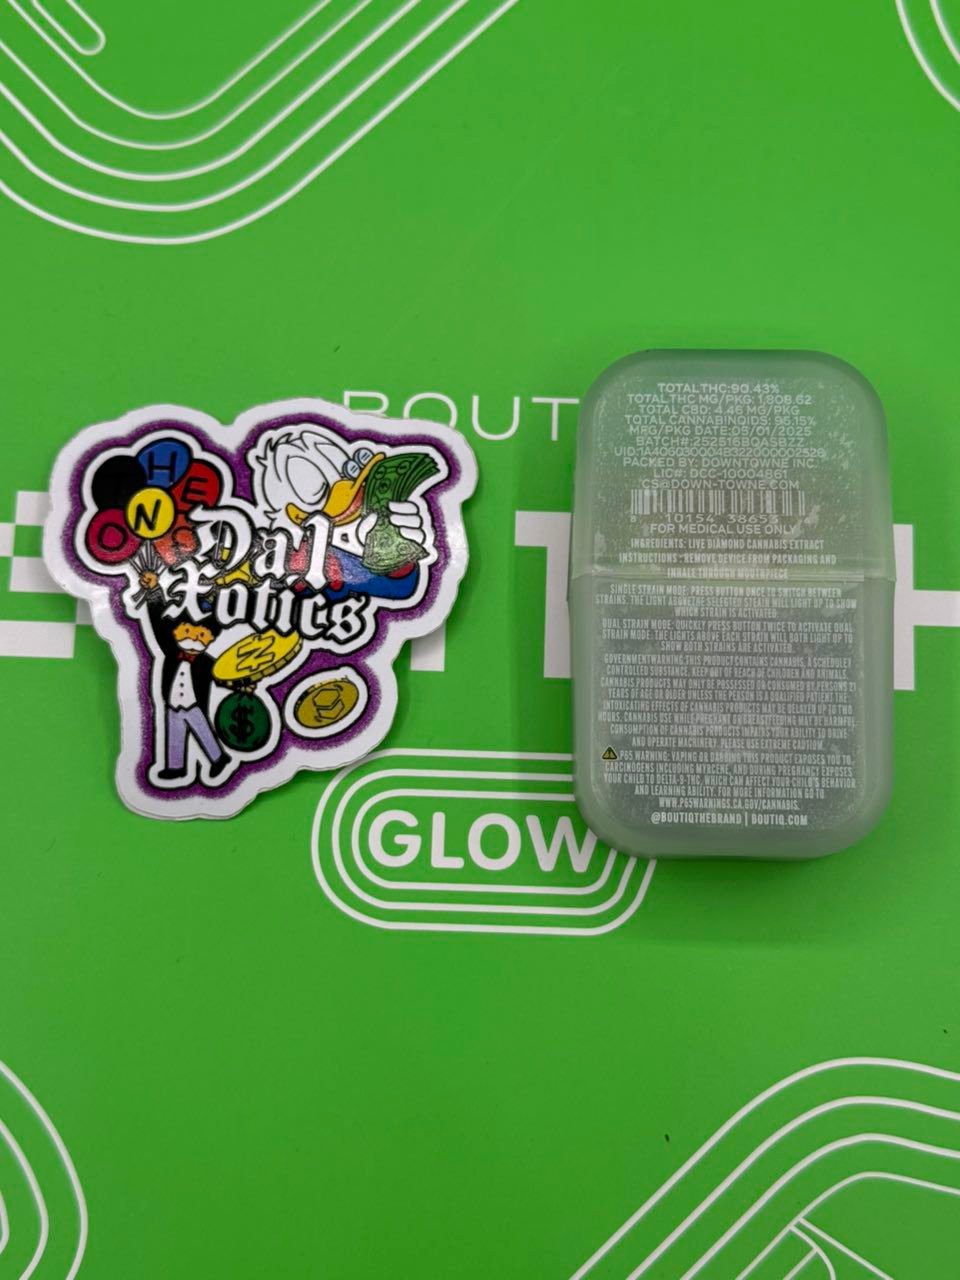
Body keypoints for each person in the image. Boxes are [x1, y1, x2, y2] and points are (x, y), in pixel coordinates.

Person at [138, 569, 229, 782]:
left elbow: (223, 676)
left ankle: (218, 758)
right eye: (187, 632)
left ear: (209, 639)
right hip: (172, 703)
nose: (193, 638)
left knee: (203, 730)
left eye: (200, 636)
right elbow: (157, 622)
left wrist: (242, 684)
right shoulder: (170, 651)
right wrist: (153, 591)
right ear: (176, 632)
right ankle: (175, 767)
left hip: (194, 704)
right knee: (174, 733)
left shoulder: (206, 662)